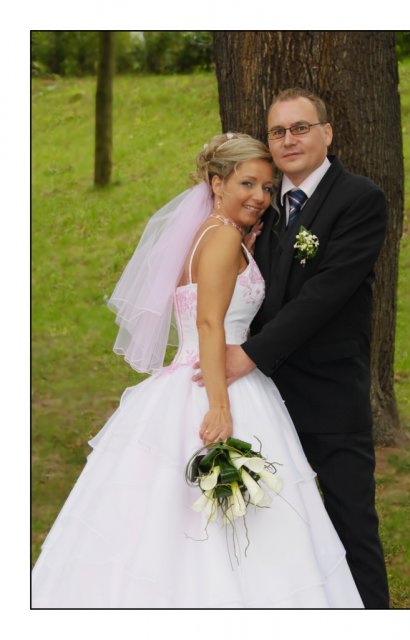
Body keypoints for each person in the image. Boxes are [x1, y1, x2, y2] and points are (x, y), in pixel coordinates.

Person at [32, 132, 364, 608]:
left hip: (189, 379)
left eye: (267, 187)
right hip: (217, 383)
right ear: (217, 183)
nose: (260, 197)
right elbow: (210, 323)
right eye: (247, 184)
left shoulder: (212, 234)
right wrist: (220, 407)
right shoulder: (223, 237)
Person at [203, 89, 390, 609]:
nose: (289, 139)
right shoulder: (258, 204)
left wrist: (249, 354)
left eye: (300, 127)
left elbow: (325, 295)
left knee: (352, 525)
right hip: (264, 403)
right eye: (278, 131)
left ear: (326, 133)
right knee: (277, 529)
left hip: (330, 399)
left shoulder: (359, 199)